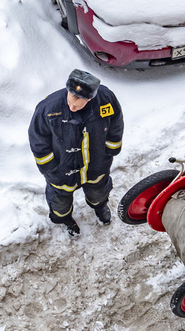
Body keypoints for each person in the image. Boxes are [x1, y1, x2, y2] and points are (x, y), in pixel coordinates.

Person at [28, 69, 124, 237]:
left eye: (78, 102)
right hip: (62, 168)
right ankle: (65, 219)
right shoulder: (48, 108)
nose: (72, 106)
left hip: (96, 163)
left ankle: (100, 206)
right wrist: (49, 167)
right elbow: (38, 139)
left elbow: (116, 122)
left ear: (90, 98)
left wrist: (111, 148)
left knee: (98, 190)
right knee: (60, 202)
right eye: (71, 98)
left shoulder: (105, 99)